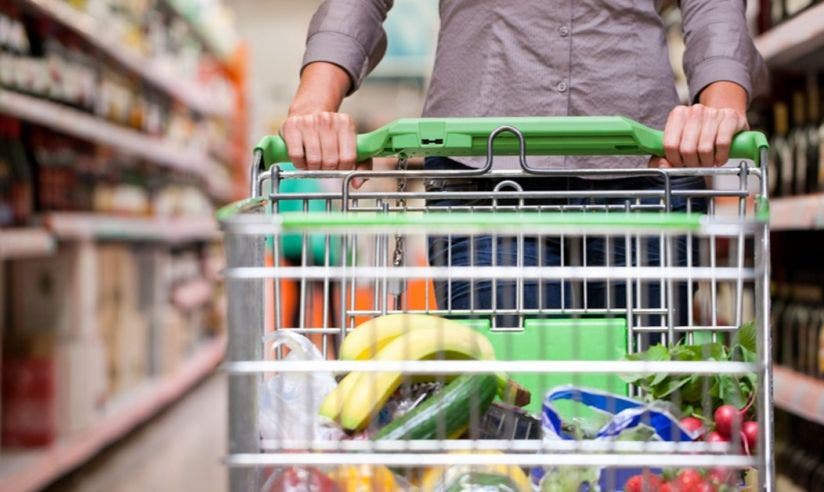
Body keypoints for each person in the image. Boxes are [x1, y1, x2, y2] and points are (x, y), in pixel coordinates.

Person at [282, 1, 766, 328]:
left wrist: (720, 102)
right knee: (506, 405)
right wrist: (313, 106)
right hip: (482, 174)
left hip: (644, 165)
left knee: (643, 403)